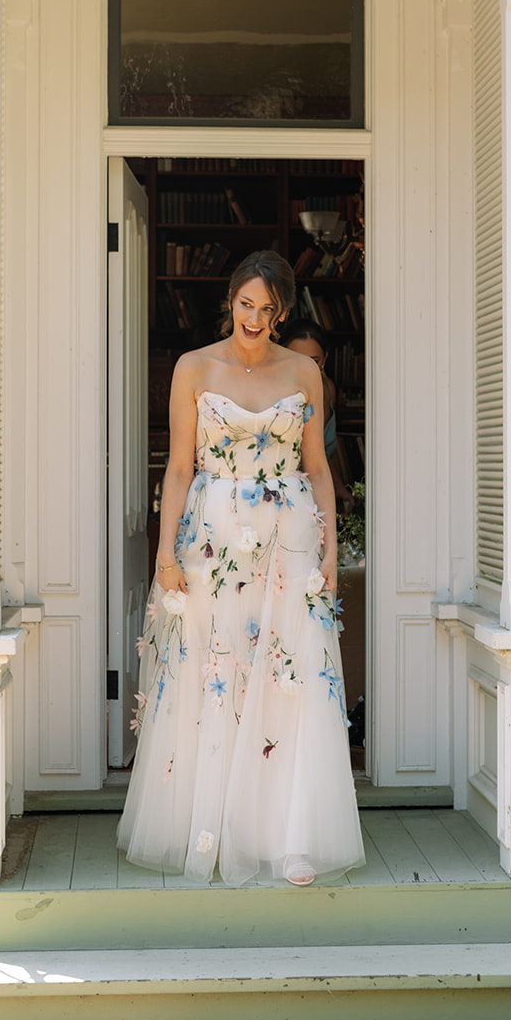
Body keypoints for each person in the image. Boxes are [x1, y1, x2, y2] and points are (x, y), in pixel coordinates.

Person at [117, 250, 365, 887]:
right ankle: (215, 827)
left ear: (282, 313)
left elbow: (316, 466)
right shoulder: (192, 367)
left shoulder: (305, 371)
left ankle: (292, 839)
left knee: (291, 678)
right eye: (245, 304)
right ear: (230, 302)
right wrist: (165, 551)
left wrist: (331, 546)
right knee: (216, 675)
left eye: (268, 308)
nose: (255, 317)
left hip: (290, 542)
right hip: (213, 541)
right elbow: (177, 466)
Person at [280, 317, 353, 511]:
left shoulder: (328, 389)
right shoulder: (275, 396)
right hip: (286, 498)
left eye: (313, 361)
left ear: (325, 360)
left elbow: (322, 453)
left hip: (319, 493)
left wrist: (339, 489)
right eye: (296, 358)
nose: (304, 368)